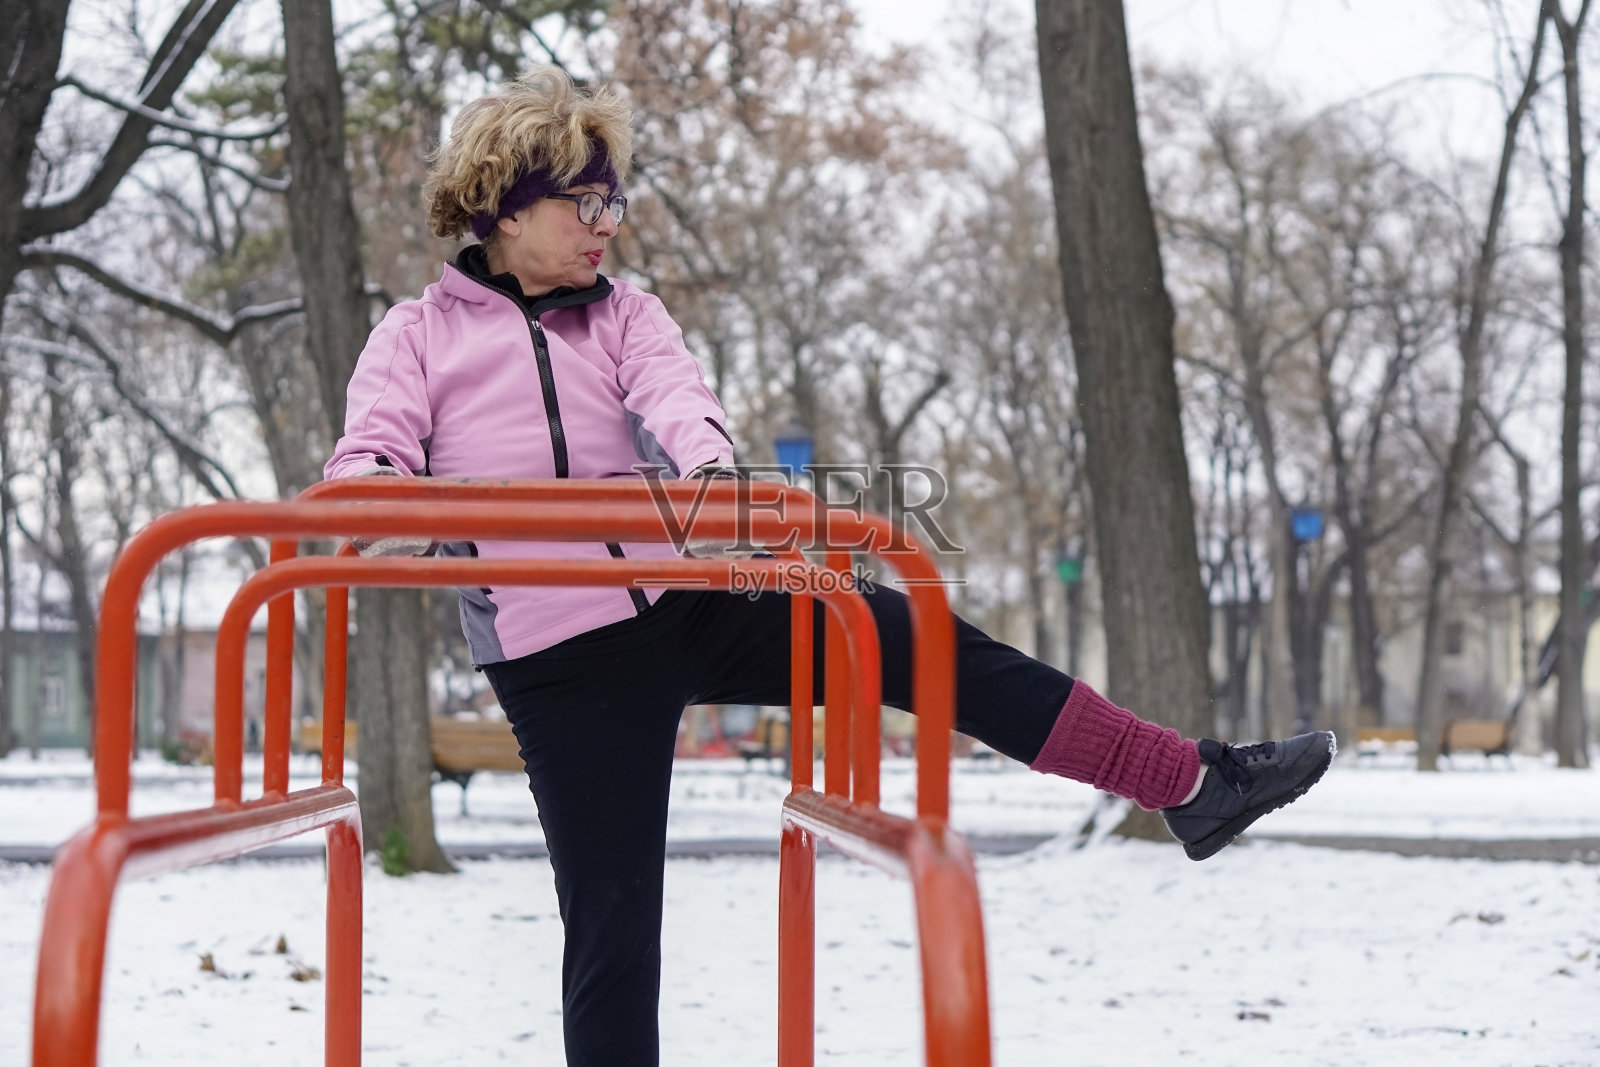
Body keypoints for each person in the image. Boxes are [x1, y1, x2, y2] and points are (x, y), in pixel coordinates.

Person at [325, 66, 1335, 1067]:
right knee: (613, 934)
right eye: (584, 201)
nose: (607, 222)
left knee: (918, 635)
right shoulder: (417, 337)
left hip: (691, 598)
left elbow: (679, 402)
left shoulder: (626, 314)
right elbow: (369, 454)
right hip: (559, 655)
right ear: (505, 206)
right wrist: (386, 508)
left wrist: (713, 475)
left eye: (615, 199)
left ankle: (1186, 779)